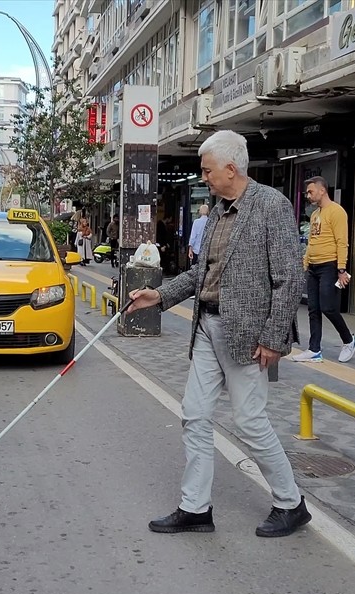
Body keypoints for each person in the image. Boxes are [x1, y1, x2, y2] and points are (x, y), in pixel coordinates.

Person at [126, 129, 309, 538]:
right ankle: (195, 508)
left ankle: (290, 503)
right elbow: (201, 273)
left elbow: (289, 279)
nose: (203, 177)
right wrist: (159, 295)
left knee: (249, 421)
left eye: (207, 171)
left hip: (248, 335)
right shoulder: (217, 212)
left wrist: (273, 338)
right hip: (207, 327)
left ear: (230, 168)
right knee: (194, 414)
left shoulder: (271, 205)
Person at [297, 176, 355, 363]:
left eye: (310, 191)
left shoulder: (337, 212)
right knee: (313, 309)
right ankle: (314, 349)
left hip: (329, 266)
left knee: (328, 307)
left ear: (322, 190)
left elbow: (342, 242)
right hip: (313, 267)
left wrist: (341, 269)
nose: (308, 195)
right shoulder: (315, 214)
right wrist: (304, 264)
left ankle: (349, 340)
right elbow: (311, 242)